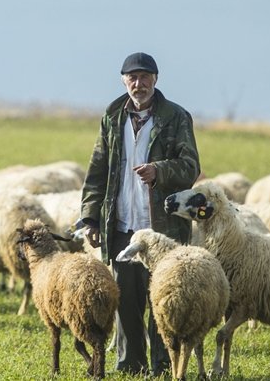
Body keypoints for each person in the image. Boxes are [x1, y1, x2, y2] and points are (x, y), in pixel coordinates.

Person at [78, 52, 201, 376]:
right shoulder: (112, 116)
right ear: (123, 81)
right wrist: (90, 217)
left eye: (145, 77)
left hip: (162, 232)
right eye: (132, 77)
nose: (139, 83)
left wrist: (159, 170)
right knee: (126, 303)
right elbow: (98, 171)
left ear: (155, 80)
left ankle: (163, 365)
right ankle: (131, 365)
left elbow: (190, 167)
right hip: (122, 226)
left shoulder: (175, 117)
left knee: (164, 301)